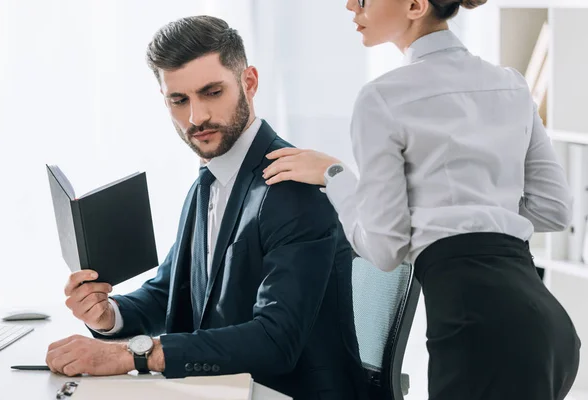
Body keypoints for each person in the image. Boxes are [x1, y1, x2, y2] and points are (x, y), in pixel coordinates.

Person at [262, 0, 581, 399]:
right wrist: (468, 208)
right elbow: (554, 208)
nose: (349, 5)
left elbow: (385, 249)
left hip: (478, 332)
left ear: (415, 5)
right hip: (548, 326)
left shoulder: (382, 98)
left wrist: (336, 176)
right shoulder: (510, 83)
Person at [44, 16, 367, 400]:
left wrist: (130, 355)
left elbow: (274, 340)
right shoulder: (210, 180)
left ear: (249, 82)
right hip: (223, 389)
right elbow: (170, 291)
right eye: (179, 100)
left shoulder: (293, 189)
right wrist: (109, 315)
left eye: (212, 92)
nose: (196, 118)